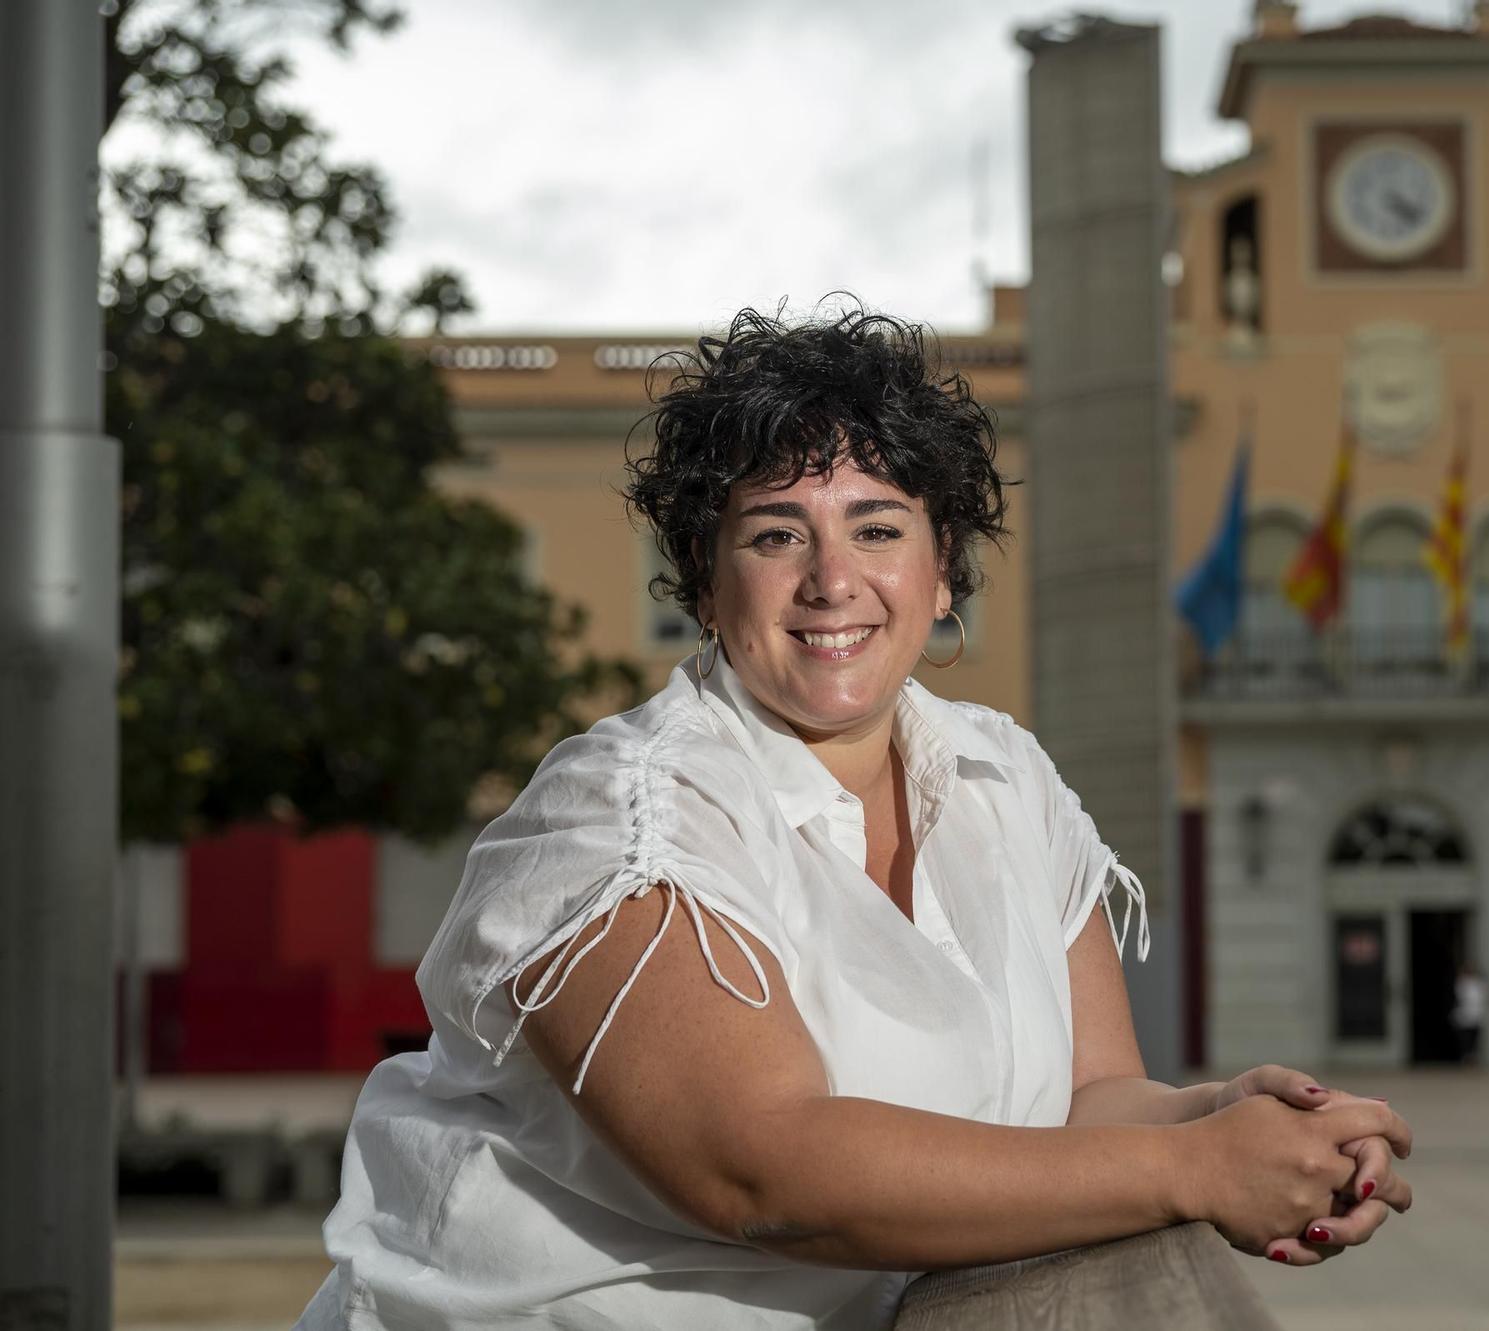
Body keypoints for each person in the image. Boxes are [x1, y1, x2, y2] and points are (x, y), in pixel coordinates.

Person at [298, 304, 1413, 1330]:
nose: (833, 580)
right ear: (703, 574)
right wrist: (1196, 1170)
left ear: (942, 574)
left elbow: (1083, 1098)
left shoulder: (1004, 776)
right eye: (776, 534)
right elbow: (764, 1172)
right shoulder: (625, 813)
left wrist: (1233, 1117)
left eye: (877, 529)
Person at [1452, 962, 1489, 1065]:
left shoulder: (1480, 983)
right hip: (1466, 1014)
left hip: (1478, 1014)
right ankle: (1466, 1057)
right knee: (1466, 1038)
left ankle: (1473, 1057)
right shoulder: (1462, 983)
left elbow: (1485, 996)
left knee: (1475, 1038)